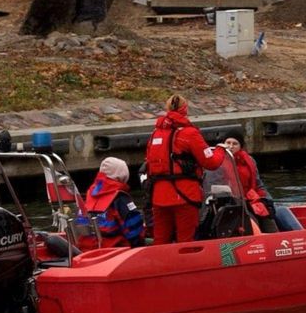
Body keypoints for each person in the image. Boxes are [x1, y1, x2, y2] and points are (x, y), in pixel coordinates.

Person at [145, 93, 226, 244]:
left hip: (159, 195)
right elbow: (211, 163)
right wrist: (221, 150)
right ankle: (189, 265)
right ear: (185, 109)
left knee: (161, 240)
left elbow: (149, 162)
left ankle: (162, 266)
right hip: (185, 195)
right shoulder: (189, 134)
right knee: (186, 240)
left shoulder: (155, 134)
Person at [221, 129, 278, 232]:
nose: (231, 146)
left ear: (240, 146)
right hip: (232, 202)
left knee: (268, 218)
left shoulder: (249, 160)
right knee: (251, 221)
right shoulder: (219, 162)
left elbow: (258, 184)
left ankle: (276, 239)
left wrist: (267, 200)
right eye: (228, 143)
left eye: (235, 144)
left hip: (250, 198)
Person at [83, 156, 145, 247]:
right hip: (115, 249)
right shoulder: (120, 198)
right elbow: (134, 232)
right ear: (121, 177)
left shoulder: (90, 193)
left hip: (90, 248)